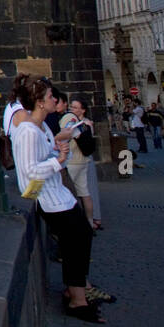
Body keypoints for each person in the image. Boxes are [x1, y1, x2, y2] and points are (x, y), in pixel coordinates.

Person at [12, 77, 103, 323]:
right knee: (78, 238)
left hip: (57, 194)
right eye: (52, 97)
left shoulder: (40, 128)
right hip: (48, 198)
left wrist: (57, 149)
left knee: (81, 237)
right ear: (40, 103)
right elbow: (30, 171)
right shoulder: (29, 130)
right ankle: (77, 299)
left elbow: (44, 155)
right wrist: (59, 160)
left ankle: (76, 292)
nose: (56, 100)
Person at [64, 98, 103, 231]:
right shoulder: (84, 123)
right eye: (71, 107)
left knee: (73, 192)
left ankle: (82, 223)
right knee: (85, 193)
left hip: (76, 160)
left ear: (83, 110)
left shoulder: (80, 124)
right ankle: (90, 222)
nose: (72, 109)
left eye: (75, 107)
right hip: (82, 161)